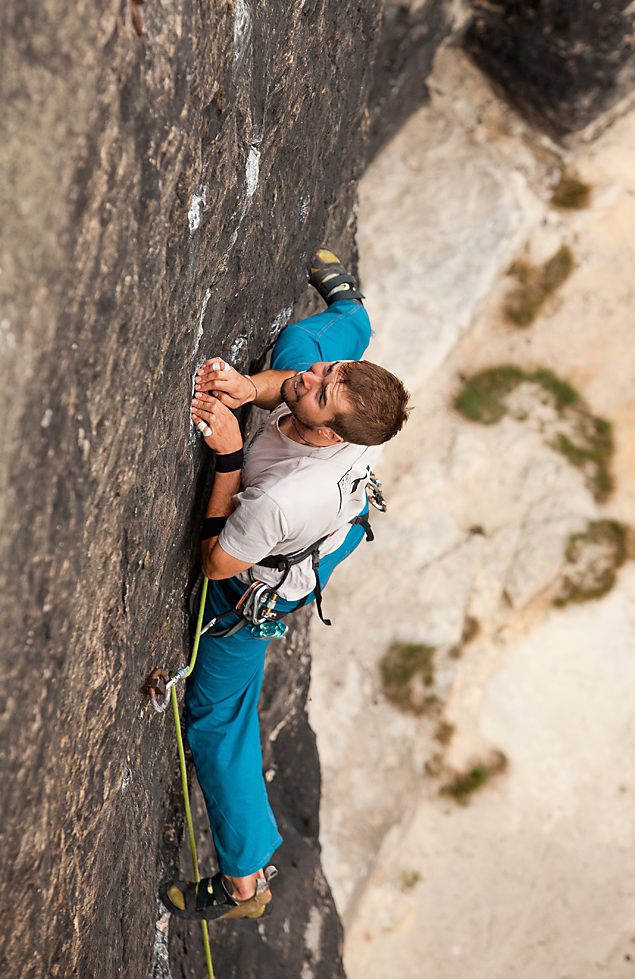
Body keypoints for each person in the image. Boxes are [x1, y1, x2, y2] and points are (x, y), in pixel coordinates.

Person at [160, 250, 410, 922]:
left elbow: (216, 563)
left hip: (261, 578)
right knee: (304, 340)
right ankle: (351, 310)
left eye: (324, 390)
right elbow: (299, 384)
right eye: (333, 374)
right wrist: (250, 389)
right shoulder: (360, 414)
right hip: (335, 523)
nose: (315, 377)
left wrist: (230, 452)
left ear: (330, 431)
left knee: (215, 724)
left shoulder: (285, 501)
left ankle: (245, 884)